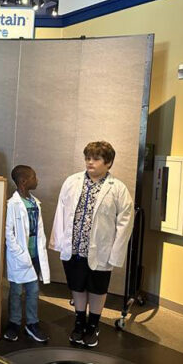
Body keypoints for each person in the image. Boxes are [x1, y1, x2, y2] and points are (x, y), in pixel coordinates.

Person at [50, 141, 134, 347]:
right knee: (77, 285)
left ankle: (93, 325)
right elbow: (61, 212)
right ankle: (79, 322)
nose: (90, 162)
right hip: (75, 247)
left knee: (97, 288)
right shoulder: (72, 181)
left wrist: (116, 253)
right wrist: (58, 240)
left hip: (100, 249)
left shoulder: (118, 189)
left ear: (108, 163)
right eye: (88, 157)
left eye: (96, 159)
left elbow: (125, 223)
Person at [3, 165, 50, 343]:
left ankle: (32, 324)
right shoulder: (12, 204)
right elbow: (9, 233)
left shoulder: (34, 202)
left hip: (35, 255)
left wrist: (34, 253)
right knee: (15, 291)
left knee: (33, 290)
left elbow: (38, 231)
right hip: (19, 256)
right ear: (24, 181)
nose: (36, 180)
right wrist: (21, 254)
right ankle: (14, 323)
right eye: (34, 177)